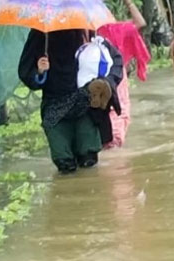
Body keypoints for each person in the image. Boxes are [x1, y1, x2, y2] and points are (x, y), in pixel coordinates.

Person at [18, 30, 123, 174]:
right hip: (54, 106)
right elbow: (26, 71)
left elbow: (115, 61)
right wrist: (40, 72)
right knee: (64, 163)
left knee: (89, 159)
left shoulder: (85, 29)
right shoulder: (41, 33)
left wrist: (106, 83)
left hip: (85, 104)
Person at [96, 0, 150, 149]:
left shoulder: (115, 30)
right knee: (115, 112)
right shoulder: (89, 32)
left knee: (116, 112)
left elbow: (140, 23)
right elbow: (140, 23)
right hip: (104, 79)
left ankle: (110, 149)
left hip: (112, 79)